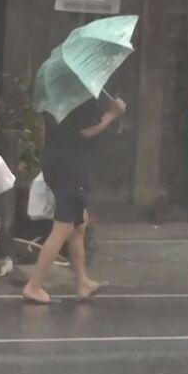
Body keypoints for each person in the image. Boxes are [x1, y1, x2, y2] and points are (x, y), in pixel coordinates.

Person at [22, 94, 126, 305]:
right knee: (64, 227)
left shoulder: (54, 96)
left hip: (54, 162)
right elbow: (86, 131)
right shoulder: (80, 98)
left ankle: (82, 282)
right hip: (71, 167)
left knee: (79, 224)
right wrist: (111, 115)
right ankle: (33, 285)